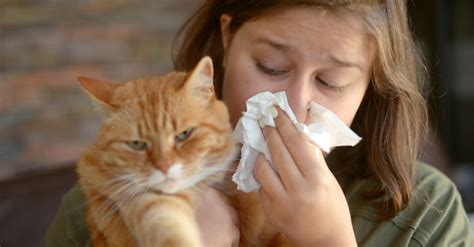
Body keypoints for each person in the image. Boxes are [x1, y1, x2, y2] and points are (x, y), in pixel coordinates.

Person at [46, 0, 473, 246]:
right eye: (270, 67)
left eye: (331, 81)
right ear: (228, 39)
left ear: (372, 82)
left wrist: (328, 243)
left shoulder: (426, 213)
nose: (293, 104)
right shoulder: (104, 197)